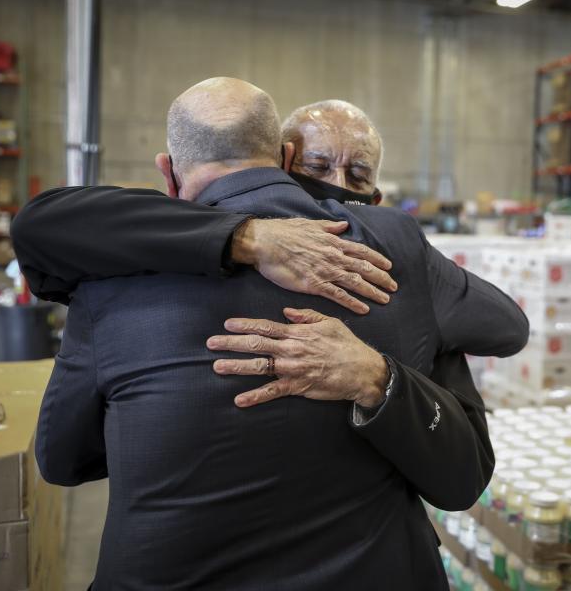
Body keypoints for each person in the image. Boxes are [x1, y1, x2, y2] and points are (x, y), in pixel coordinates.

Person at [31, 77, 528, 589]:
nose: (336, 184)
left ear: (168, 172)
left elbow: (64, 460)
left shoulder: (108, 269)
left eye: (355, 173)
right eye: (321, 167)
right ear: (286, 158)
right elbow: (506, 333)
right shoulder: (391, 250)